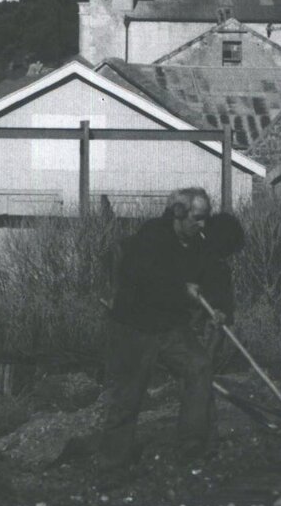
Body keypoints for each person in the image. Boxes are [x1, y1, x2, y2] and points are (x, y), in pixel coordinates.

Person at [94, 187, 233, 473]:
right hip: (135, 326)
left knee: (199, 367)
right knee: (127, 397)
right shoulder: (151, 236)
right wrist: (181, 290)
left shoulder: (197, 244)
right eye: (198, 217)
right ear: (178, 213)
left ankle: (193, 443)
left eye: (206, 218)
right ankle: (112, 465)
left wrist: (220, 308)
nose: (203, 224)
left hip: (170, 327)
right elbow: (143, 280)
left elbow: (214, 276)